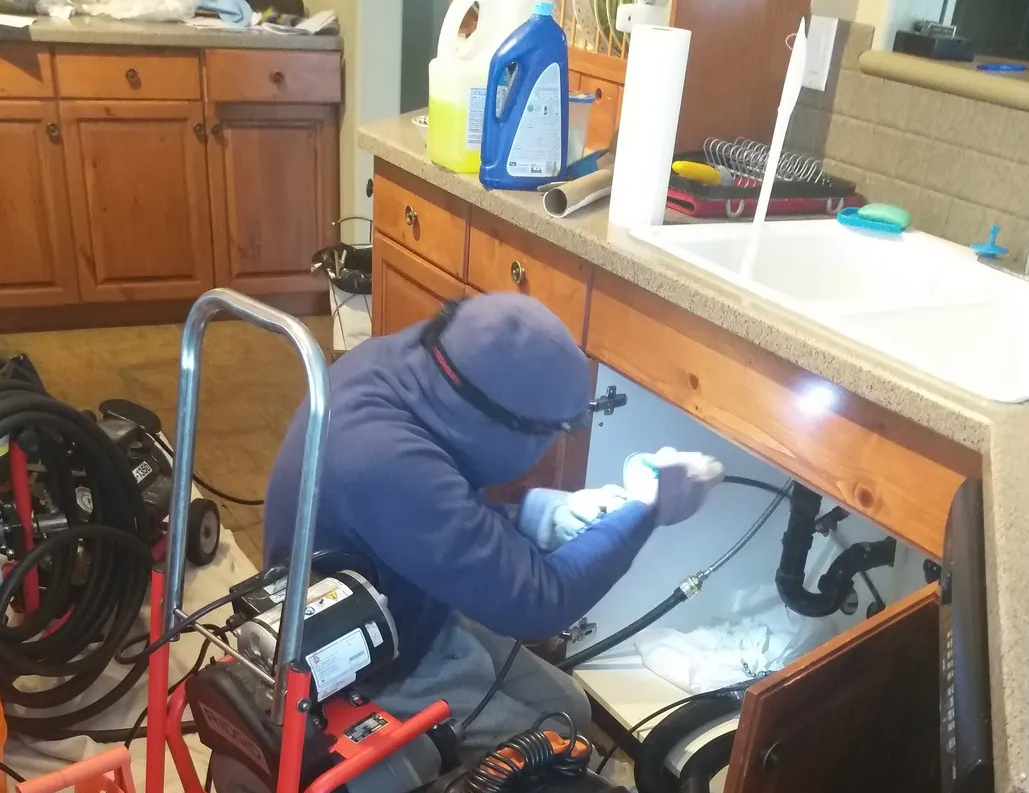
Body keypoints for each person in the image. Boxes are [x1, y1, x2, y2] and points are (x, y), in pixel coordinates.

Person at [264, 292, 720, 746]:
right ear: (501, 425)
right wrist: (649, 509)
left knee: (573, 707)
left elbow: (438, 510)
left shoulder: (408, 365)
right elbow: (541, 603)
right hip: (362, 662)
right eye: (557, 430)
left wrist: (539, 515)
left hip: (402, 591)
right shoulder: (384, 458)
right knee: (556, 743)